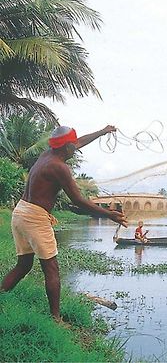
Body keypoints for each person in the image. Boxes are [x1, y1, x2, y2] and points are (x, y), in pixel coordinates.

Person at [0, 125, 128, 322]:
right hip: (35, 217)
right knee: (51, 270)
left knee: (24, 265)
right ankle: (56, 319)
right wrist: (108, 214)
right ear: (66, 147)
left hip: (20, 212)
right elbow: (77, 200)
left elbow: (80, 141)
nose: (76, 148)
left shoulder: (47, 155)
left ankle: (2, 295)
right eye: (73, 146)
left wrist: (102, 131)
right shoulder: (59, 167)